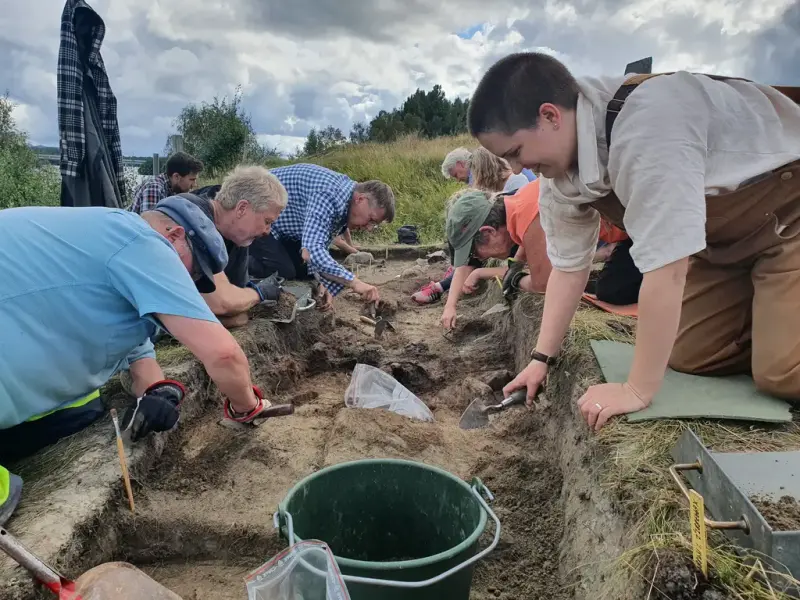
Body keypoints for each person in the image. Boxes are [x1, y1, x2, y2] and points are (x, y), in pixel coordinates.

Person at [468, 51, 800, 431]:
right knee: (690, 355)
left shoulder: (648, 125)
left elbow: (668, 270)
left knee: (781, 373)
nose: (515, 169)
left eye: (515, 153)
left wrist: (638, 389)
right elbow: (569, 268)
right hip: (724, 246)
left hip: (789, 219)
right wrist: (540, 359)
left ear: (549, 116)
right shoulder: (560, 173)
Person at [0, 197, 279, 526]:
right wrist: (247, 406)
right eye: (192, 271)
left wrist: (159, 391)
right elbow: (223, 353)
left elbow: (139, 350)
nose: (188, 283)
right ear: (174, 235)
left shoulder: (110, 257)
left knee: (84, 412)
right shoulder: (142, 242)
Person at [437, 183, 640, 329]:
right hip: (629, 224)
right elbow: (528, 238)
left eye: (474, 252)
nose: (477, 258)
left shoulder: (529, 215)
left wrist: (516, 280)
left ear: (489, 232)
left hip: (642, 230)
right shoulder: (519, 202)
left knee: (612, 293)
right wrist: (517, 264)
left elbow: (543, 284)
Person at [248, 163, 395, 308]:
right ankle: (240, 261)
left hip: (283, 230)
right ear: (361, 199)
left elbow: (318, 245)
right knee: (286, 270)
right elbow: (312, 250)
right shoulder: (329, 194)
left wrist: (325, 283)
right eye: (371, 219)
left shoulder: (345, 203)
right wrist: (355, 282)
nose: (369, 228)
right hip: (256, 215)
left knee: (303, 270)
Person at [178, 166, 289, 329]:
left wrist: (240, 302)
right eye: (267, 221)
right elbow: (222, 303)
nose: (267, 231)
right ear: (242, 208)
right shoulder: (191, 217)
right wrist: (259, 293)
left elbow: (236, 298)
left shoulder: (236, 236)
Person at [128, 151, 204, 214]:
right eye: (192, 180)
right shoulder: (154, 188)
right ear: (176, 176)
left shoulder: (174, 189)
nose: (194, 185)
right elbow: (149, 226)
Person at [442, 146, 538, 186]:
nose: (458, 180)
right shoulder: (488, 157)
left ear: (460, 164)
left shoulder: (477, 175)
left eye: (455, 175)